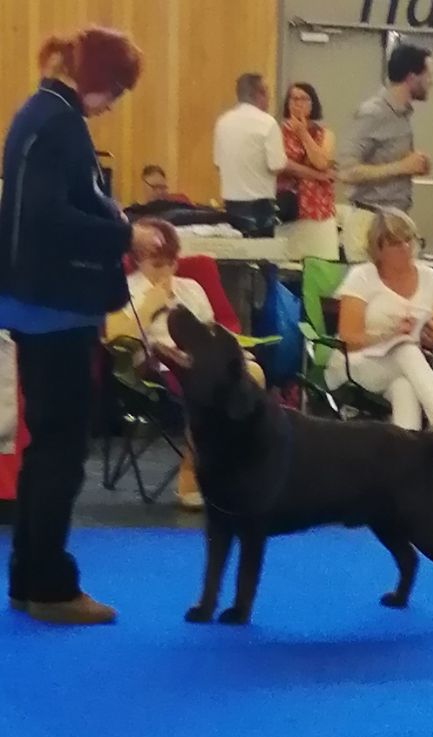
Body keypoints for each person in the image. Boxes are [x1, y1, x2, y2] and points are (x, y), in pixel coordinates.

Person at [0, 26, 163, 625]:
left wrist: (113, 220)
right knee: (61, 453)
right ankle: (47, 585)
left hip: (43, 306)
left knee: (52, 449)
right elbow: (48, 215)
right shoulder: (58, 125)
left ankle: (31, 578)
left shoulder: (44, 116)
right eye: (116, 87)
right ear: (95, 77)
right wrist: (125, 233)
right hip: (53, 310)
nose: (115, 102)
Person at [105, 217, 265, 509]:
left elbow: (210, 332)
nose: (166, 271)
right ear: (138, 260)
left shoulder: (191, 288)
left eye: (171, 263)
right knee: (206, 387)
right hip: (155, 365)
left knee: (253, 374)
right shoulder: (126, 289)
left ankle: (234, 468)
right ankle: (192, 473)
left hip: (201, 362)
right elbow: (113, 334)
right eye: (157, 264)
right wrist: (152, 302)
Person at [330, 208, 433, 453]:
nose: (405, 248)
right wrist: (390, 335)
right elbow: (348, 338)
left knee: (405, 386)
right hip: (355, 363)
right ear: (379, 248)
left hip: (405, 368)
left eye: (409, 240)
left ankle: (405, 461)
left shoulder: (429, 276)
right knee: (405, 348)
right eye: (396, 243)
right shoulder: (362, 277)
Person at [338, 44, 433, 263]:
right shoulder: (373, 112)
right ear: (412, 77)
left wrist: (414, 165)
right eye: (428, 76)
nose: (431, 82)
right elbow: (346, 171)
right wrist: (402, 167)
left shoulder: (403, 115)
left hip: (396, 220)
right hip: (369, 223)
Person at [213, 72, 287, 237]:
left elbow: (218, 164)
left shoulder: (222, 122)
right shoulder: (268, 122)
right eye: (267, 93)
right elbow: (276, 165)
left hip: (231, 203)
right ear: (260, 94)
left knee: (237, 253)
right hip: (260, 206)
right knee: (262, 254)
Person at [275, 82, 339, 261]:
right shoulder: (277, 132)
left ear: (313, 103)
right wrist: (318, 176)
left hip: (319, 209)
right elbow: (283, 164)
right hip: (289, 206)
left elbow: (321, 162)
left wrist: (303, 133)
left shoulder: (325, 134)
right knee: (286, 264)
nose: (299, 103)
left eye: (304, 99)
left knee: (321, 263)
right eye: (294, 98)